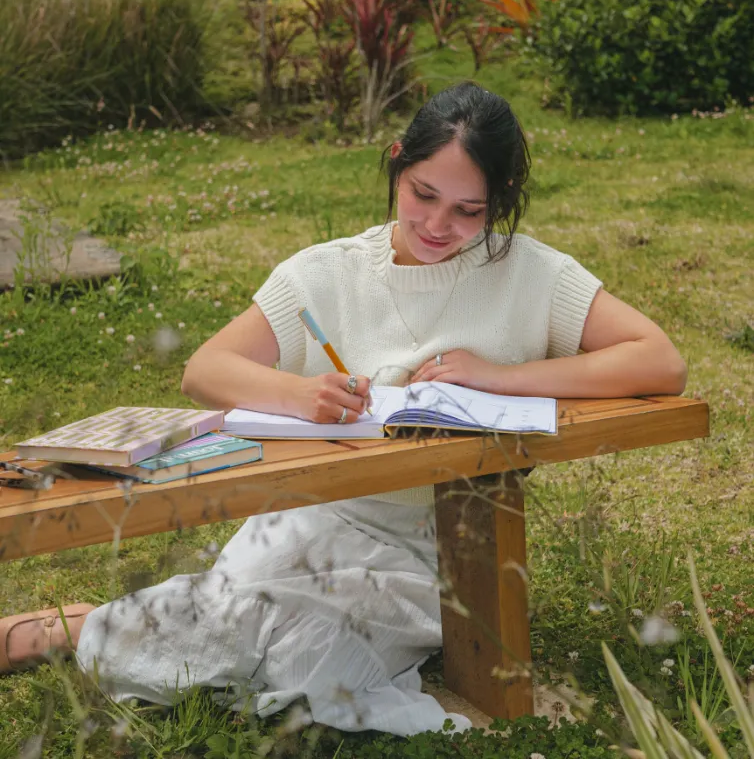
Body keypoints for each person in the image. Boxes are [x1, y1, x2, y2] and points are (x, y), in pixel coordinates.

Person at [0, 82, 687, 735]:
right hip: (313, 516)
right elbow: (205, 369)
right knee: (258, 620)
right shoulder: (326, 272)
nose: (438, 225)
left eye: (468, 210)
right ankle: (81, 628)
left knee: (313, 661)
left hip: (442, 548)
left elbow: (660, 360)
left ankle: (90, 629)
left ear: (500, 200)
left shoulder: (530, 272)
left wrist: (503, 377)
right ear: (397, 162)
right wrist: (301, 393)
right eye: (422, 195)